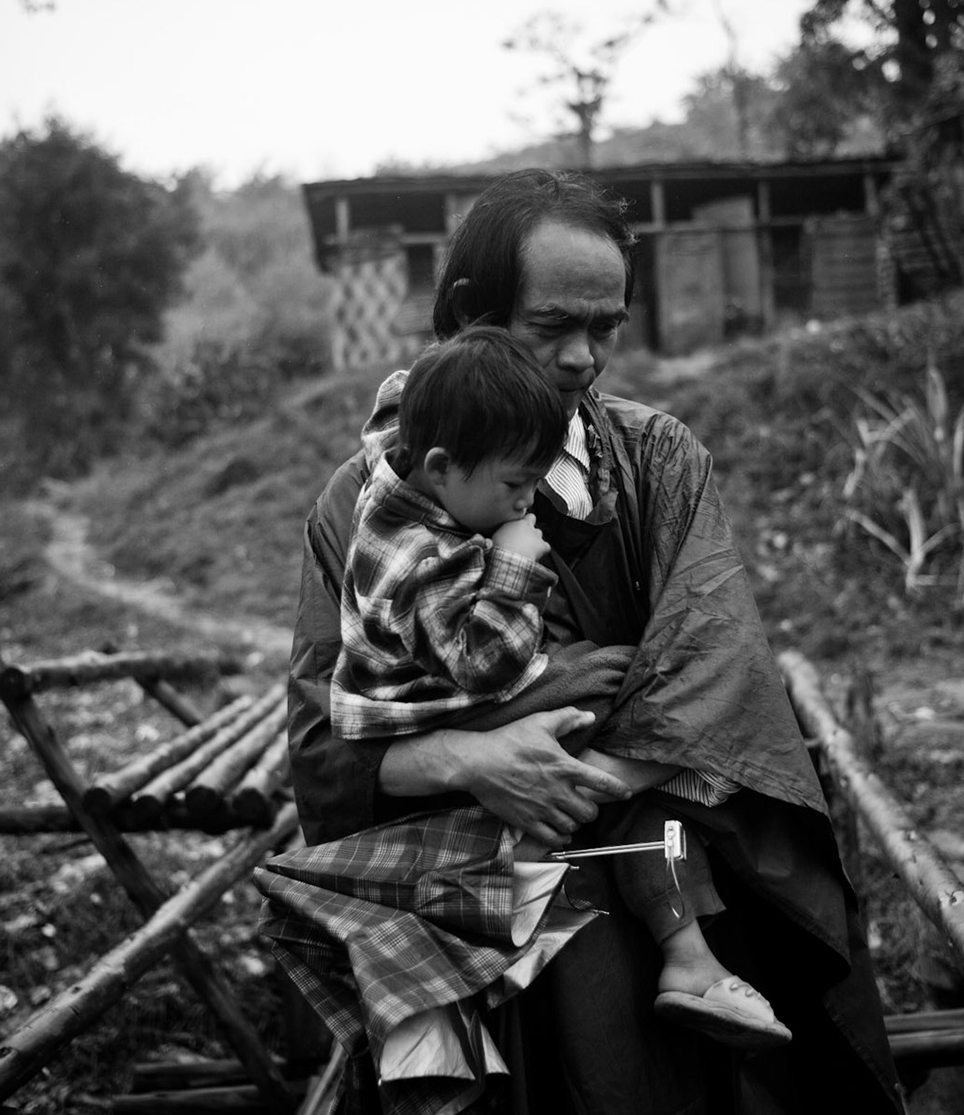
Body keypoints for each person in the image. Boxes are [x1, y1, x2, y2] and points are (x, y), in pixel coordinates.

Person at [281, 169, 904, 1115]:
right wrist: (477, 756)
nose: (582, 357)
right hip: (471, 915)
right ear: (467, 313)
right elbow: (325, 754)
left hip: (650, 898)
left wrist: (581, 783)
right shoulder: (361, 507)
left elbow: (716, 677)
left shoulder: (656, 464)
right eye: (550, 327)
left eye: (604, 328)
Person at [323, 323, 790, 1052]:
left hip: (454, 691)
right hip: (437, 704)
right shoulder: (410, 549)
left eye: (607, 325)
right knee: (613, 699)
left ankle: (685, 953)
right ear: (442, 465)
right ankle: (542, 863)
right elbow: (482, 664)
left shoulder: (432, 472)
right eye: (515, 486)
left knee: (611, 702)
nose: (525, 501)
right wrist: (514, 564)